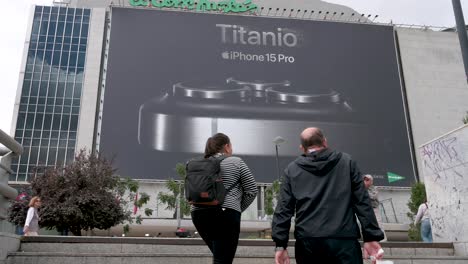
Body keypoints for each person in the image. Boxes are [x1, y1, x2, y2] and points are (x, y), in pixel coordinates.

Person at [272, 127, 384, 264]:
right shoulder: (347, 162)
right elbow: (362, 201)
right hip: (344, 241)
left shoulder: (292, 170)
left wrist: (280, 245)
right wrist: (371, 236)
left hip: (308, 243)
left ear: (302, 148)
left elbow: (284, 209)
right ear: (325, 142)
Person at [191, 133, 257, 264]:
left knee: (220, 257)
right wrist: (236, 209)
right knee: (222, 260)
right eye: (231, 146)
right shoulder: (236, 161)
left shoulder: (196, 164)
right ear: (227, 146)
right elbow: (252, 190)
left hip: (198, 214)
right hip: (225, 213)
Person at [363, 174, 387, 241]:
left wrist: (365, 191)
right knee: (368, 224)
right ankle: (371, 239)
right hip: (366, 209)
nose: (365, 181)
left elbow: (373, 197)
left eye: (367, 180)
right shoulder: (361, 188)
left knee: (378, 223)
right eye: (364, 180)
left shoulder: (374, 188)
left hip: (374, 208)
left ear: (371, 181)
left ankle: (383, 239)